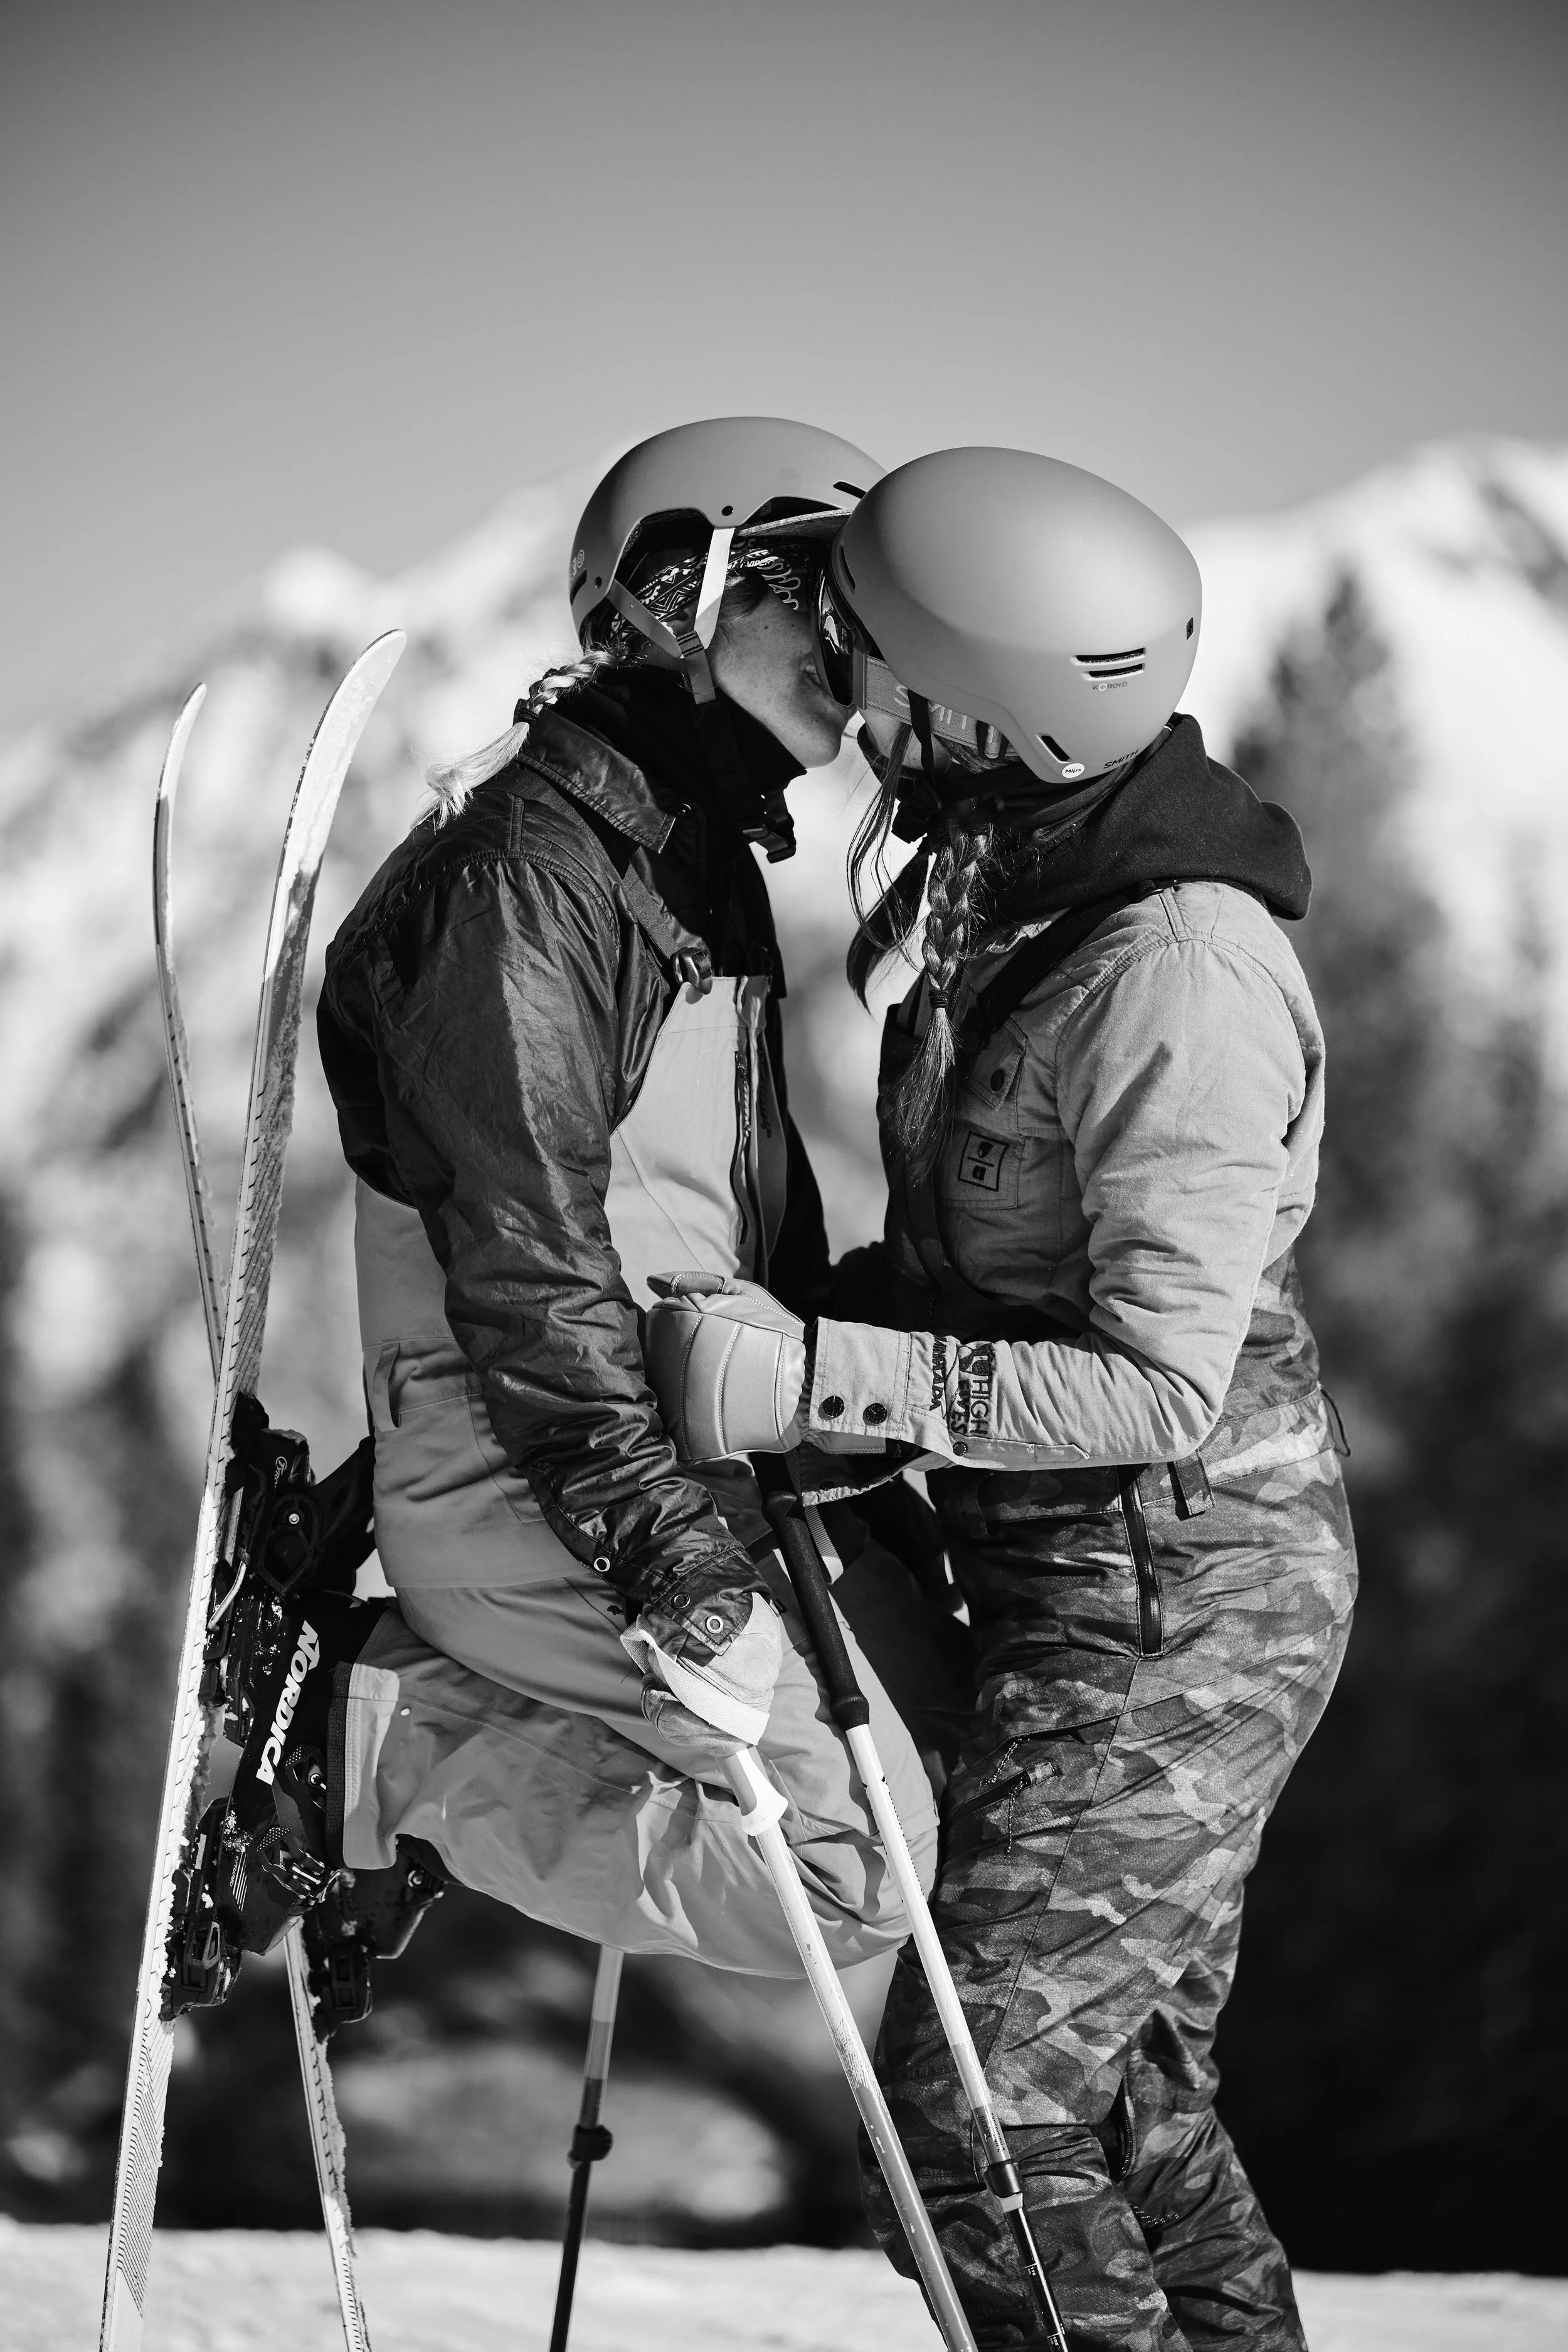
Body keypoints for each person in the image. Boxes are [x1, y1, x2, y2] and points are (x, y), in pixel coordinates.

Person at [644, 447, 1357, 2351]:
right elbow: (994, 1271)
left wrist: (821, 1372)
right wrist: (791, 1321)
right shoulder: (1022, 892)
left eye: (872, 662)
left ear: (989, 706)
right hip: (1072, 1576)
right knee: (1113, 2097)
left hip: (1177, 1604)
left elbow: (1153, 1380)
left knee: (973, 2114)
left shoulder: (1175, 972)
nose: (846, 693)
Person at [216, 418, 959, 1994]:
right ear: (675, 594)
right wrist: (665, 1558)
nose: (852, 638)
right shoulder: (518, 884)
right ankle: (366, 1736)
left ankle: (437, 1746)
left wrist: (845, 1443)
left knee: (949, 1767)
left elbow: (716, 1233)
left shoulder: (685, 858)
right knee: (856, 1873)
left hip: (662, 1462)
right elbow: (528, 1262)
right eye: (810, 586)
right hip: (536, 1480)